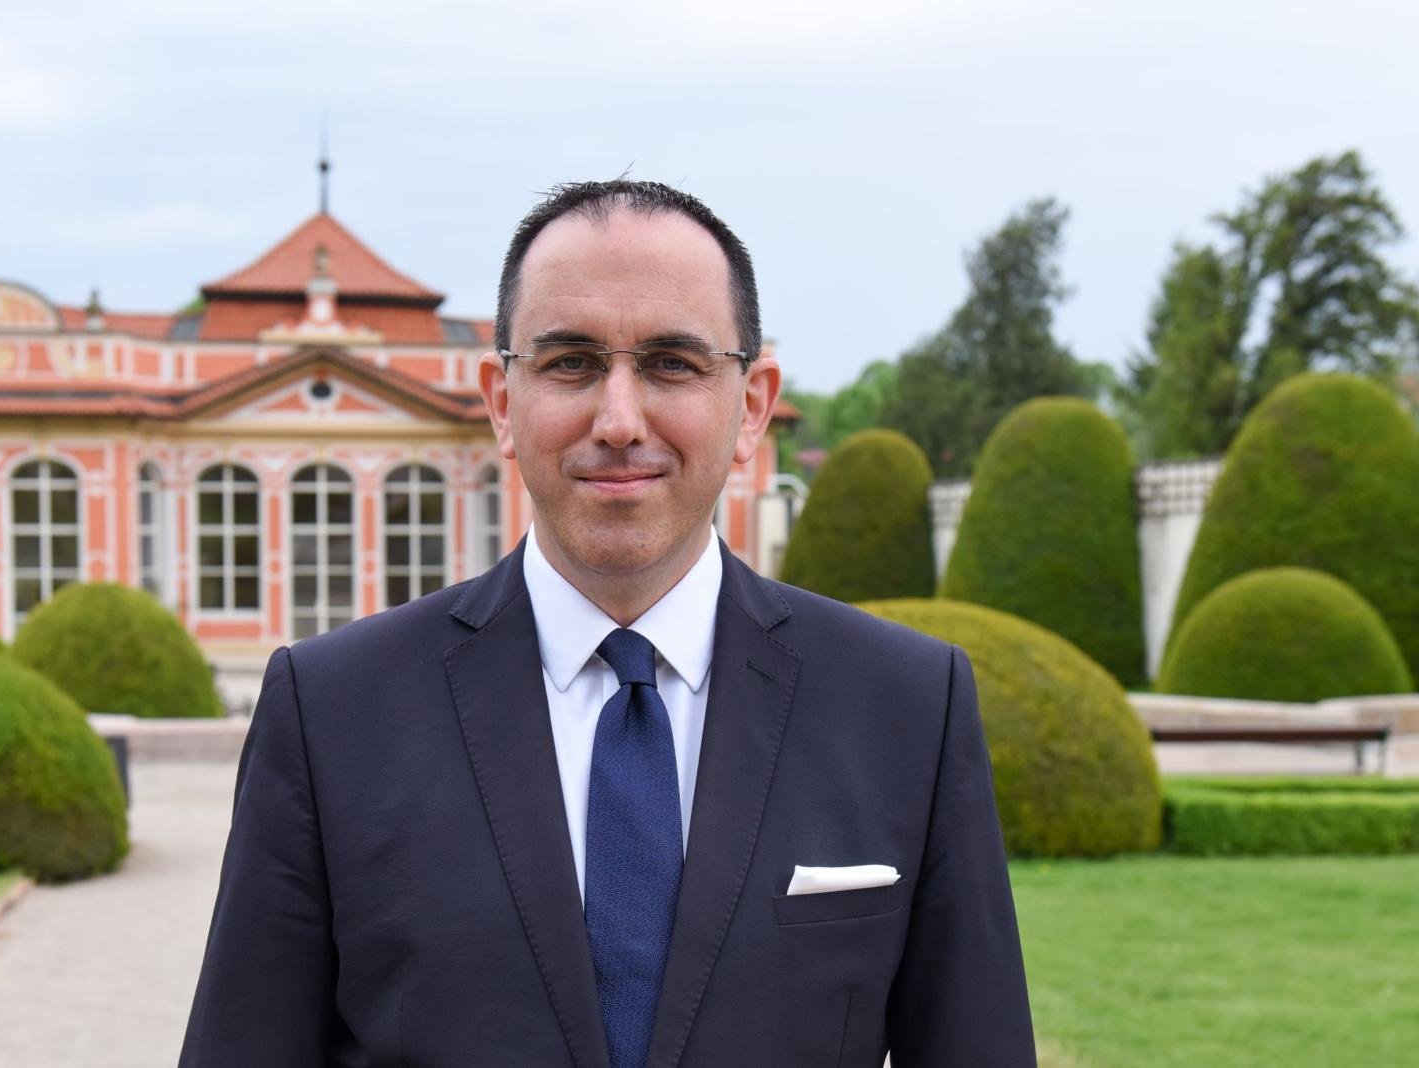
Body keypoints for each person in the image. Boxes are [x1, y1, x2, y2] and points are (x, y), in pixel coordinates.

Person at [180, 180, 1035, 1067]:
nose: (619, 422)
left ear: (751, 406)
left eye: (672, 363)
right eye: (571, 363)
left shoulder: (908, 705)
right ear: (502, 402)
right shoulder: (330, 712)